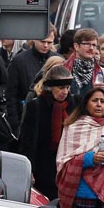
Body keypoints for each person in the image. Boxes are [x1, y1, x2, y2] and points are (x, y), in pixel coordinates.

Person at [56, 87, 104, 208]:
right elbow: (63, 162)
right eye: (95, 100)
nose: (99, 104)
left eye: (102, 101)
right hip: (82, 195)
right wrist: (90, 158)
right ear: (86, 104)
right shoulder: (73, 128)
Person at [19, 65, 78, 200]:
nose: (65, 91)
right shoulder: (36, 106)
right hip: (43, 166)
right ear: (50, 87)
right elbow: (28, 140)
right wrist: (29, 169)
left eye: (67, 88)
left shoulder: (74, 105)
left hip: (68, 165)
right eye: (61, 88)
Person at [6, 25, 59, 132]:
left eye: (49, 43)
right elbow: (11, 96)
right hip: (26, 119)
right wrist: (16, 125)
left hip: (52, 120)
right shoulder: (19, 61)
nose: (45, 45)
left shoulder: (58, 60)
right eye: (42, 41)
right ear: (34, 39)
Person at [64, 28, 104, 103]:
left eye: (94, 45)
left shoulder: (102, 73)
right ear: (76, 46)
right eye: (87, 44)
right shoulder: (62, 70)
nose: (91, 48)